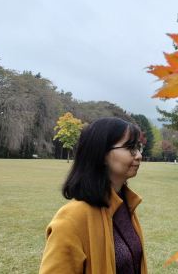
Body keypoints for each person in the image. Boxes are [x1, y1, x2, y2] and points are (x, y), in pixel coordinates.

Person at [39, 117, 147, 274]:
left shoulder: (125, 205)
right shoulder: (71, 220)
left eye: (138, 147)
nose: (138, 155)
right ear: (102, 153)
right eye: (130, 147)